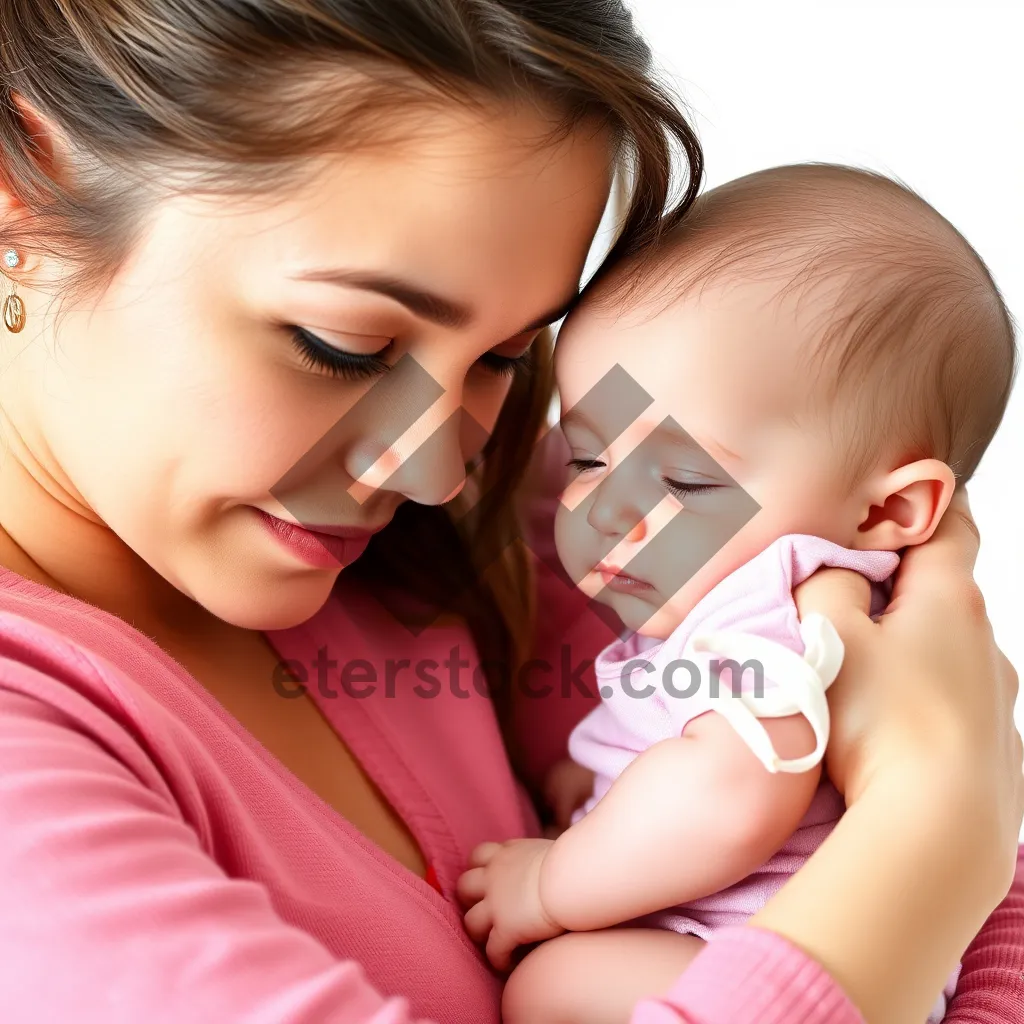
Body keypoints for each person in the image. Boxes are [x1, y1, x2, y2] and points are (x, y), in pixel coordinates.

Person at [0, 3, 1019, 1023]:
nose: (435, 470)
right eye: (344, 344)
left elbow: (925, 898)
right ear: (22, 204)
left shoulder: (512, 511)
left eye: (501, 357)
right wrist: (935, 822)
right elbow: (917, 842)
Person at [457, 163, 1017, 1023]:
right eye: (589, 458)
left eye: (684, 477)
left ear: (888, 509)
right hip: (840, 950)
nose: (607, 512)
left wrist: (554, 883)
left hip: (773, 955)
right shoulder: (763, 599)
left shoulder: (776, 606)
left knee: (550, 987)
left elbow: (736, 793)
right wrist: (604, 780)